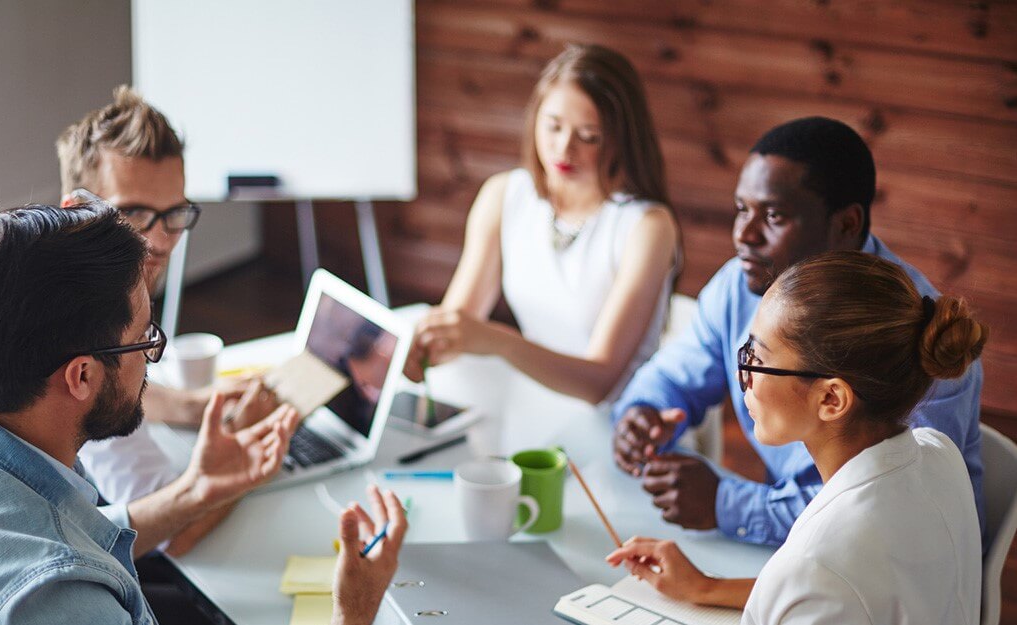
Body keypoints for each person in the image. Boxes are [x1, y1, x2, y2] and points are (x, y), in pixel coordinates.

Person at [0, 204, 406, 624]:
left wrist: (199, 490)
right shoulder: (57, 602)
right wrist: (352, 613)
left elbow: (60, 534)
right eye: (144, 342)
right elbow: (56, 568)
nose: (151, 362)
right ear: (82, 376)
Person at [0, 86, 282, 555]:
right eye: (132, 212)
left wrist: (192, 408)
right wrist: (243, 456)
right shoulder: (87, 333)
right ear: (78, 208)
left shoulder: (13, 289)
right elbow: (169, 532)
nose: (158, 240)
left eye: (173, 213)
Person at [612, 117, 985, 545]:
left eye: (773, 215)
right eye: (741, 209)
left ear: (846, 224)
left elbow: (892, 514)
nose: (743, 235)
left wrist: (728, 504)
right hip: (808, 550)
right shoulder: (740, 284)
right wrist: (642, 413)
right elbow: (674, 374)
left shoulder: (913, 335)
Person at [606, 251, 985, 624]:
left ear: (830, 398)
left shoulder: (817, 565)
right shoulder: (941, 454)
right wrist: (705, 588)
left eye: (758, 357)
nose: (745, 377)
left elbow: (817, 585)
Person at [406, 44, 680, 405]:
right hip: (536, 401)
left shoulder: (647, 227)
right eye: (553, 126)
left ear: (620, 139)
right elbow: (459, 323)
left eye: (588, 137)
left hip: (624, 422)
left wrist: (498, 341)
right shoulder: (505, 195)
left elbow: (599, 383)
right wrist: (415, 350)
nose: (564, 149)